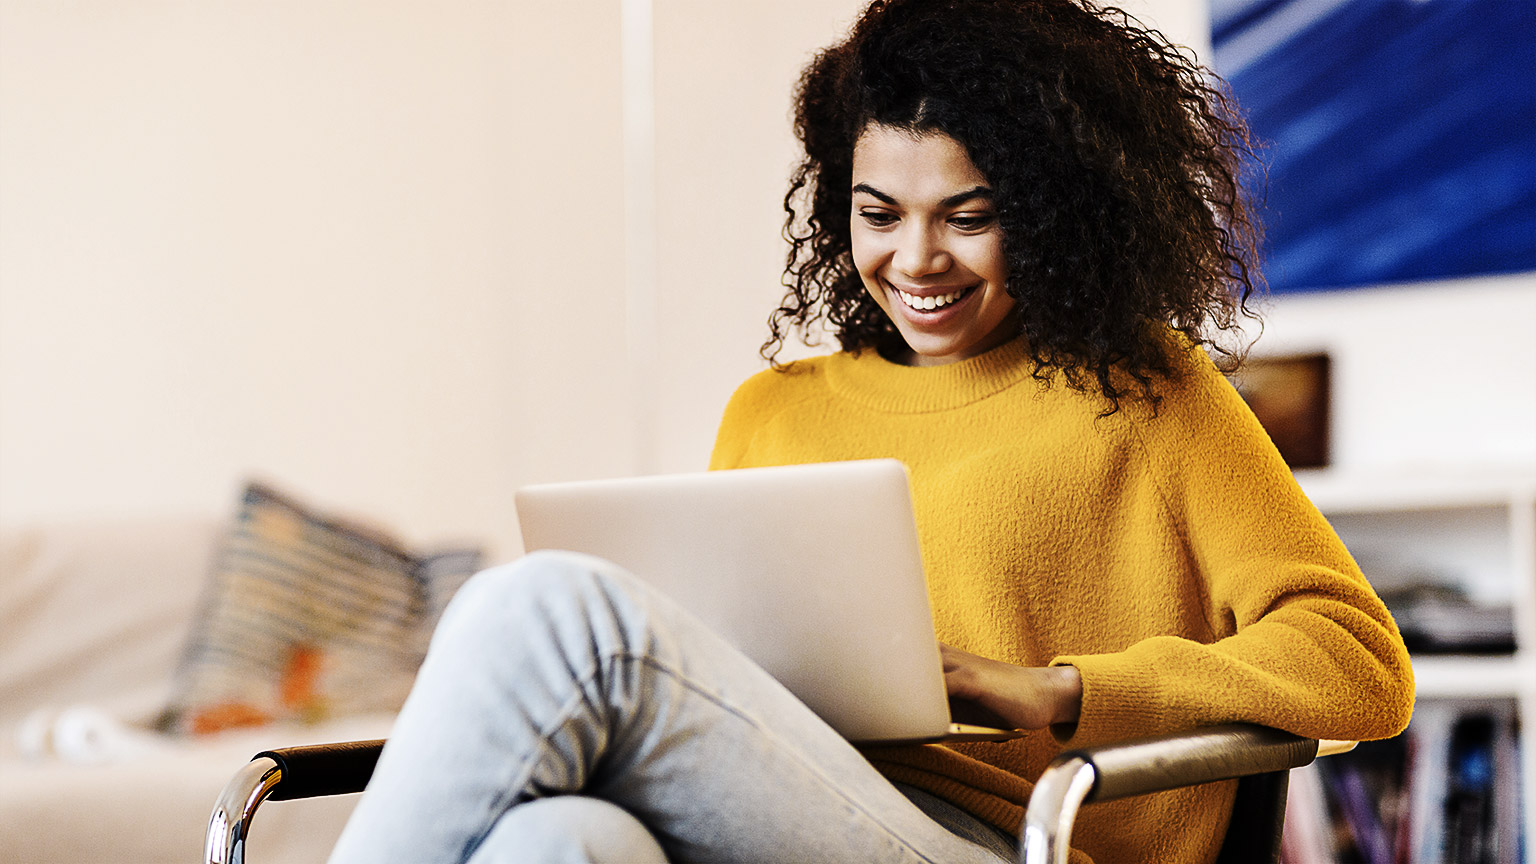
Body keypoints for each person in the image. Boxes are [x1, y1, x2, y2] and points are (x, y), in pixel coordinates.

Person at [327, 1, 1415, 862]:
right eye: (879, 212)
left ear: (1053, 210)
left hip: (1012, 838)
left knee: (546, 611)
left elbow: (1361, 663)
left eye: (969, 215)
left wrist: (1062, 689)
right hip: (786, 806)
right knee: (554, 841)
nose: (917, 260)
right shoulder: (772, 410)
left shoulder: (1143, 392)